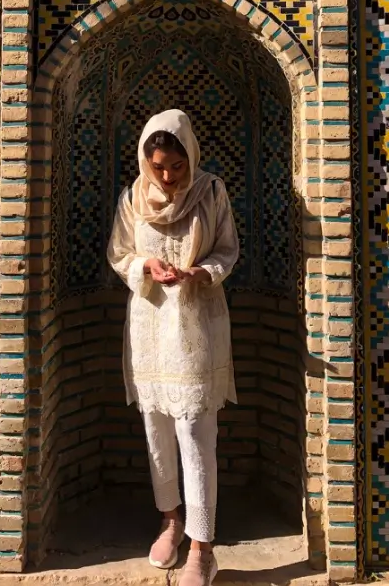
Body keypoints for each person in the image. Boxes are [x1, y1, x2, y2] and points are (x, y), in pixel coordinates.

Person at [107, 109, 239, 586]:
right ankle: (171, 521)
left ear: (191, 157)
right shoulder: (133, 197)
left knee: (195, 435)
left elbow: (228, 250)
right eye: (158, 165)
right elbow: (119, 253)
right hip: (148, 325)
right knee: (157, 430)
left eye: (176, 166)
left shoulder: (211, 192)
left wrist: (200, 272)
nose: (166, 175)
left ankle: (203, 548)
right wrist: (146, 266)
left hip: (197, 323)